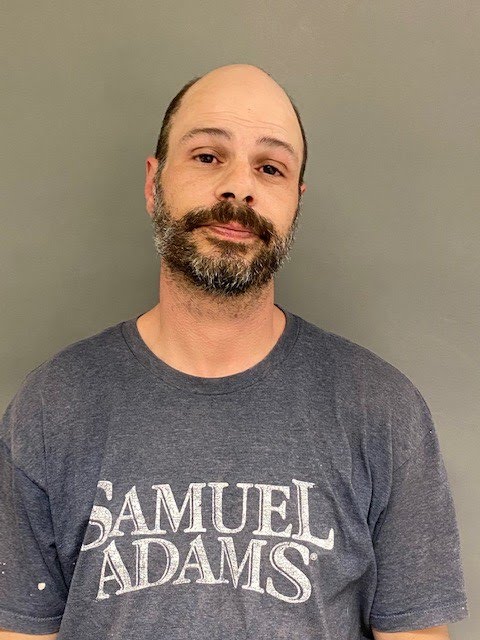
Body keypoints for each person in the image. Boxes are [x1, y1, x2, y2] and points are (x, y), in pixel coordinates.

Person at [0, 63, 469, 640]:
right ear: (153, 183)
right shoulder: (51, 406)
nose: (238, 187)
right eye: (207, 156)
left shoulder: (383, 409)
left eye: (270, 168)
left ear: (294, 203)